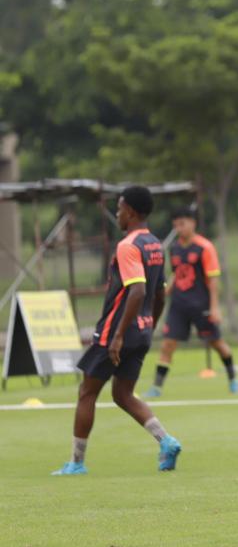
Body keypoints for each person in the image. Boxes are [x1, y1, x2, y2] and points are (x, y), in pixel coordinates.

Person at [52, 186, 182, 475]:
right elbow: (159, 294)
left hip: (116, 331)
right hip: (142, 330)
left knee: (87, 392)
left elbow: (137, 291)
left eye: (120, 208)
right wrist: (151, 324)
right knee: (123, 395)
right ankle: (166, 441)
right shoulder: (155, 244)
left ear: (132, 212)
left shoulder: (128, 246)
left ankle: (76, 463)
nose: (118, 213)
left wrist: (120, 335)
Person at [145, 207, 238, 397]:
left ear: (192, 223)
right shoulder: (175, 248)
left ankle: (233, 379)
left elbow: (213, 280)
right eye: (175, 225)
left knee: (217, 344)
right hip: (178, 305)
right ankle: (156, 387)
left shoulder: (205, 247)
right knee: (167, 345)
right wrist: (161, 295)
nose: (179, 229)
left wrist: (214, 307)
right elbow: (176, 275)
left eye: (182, 224)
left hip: (201, 305)